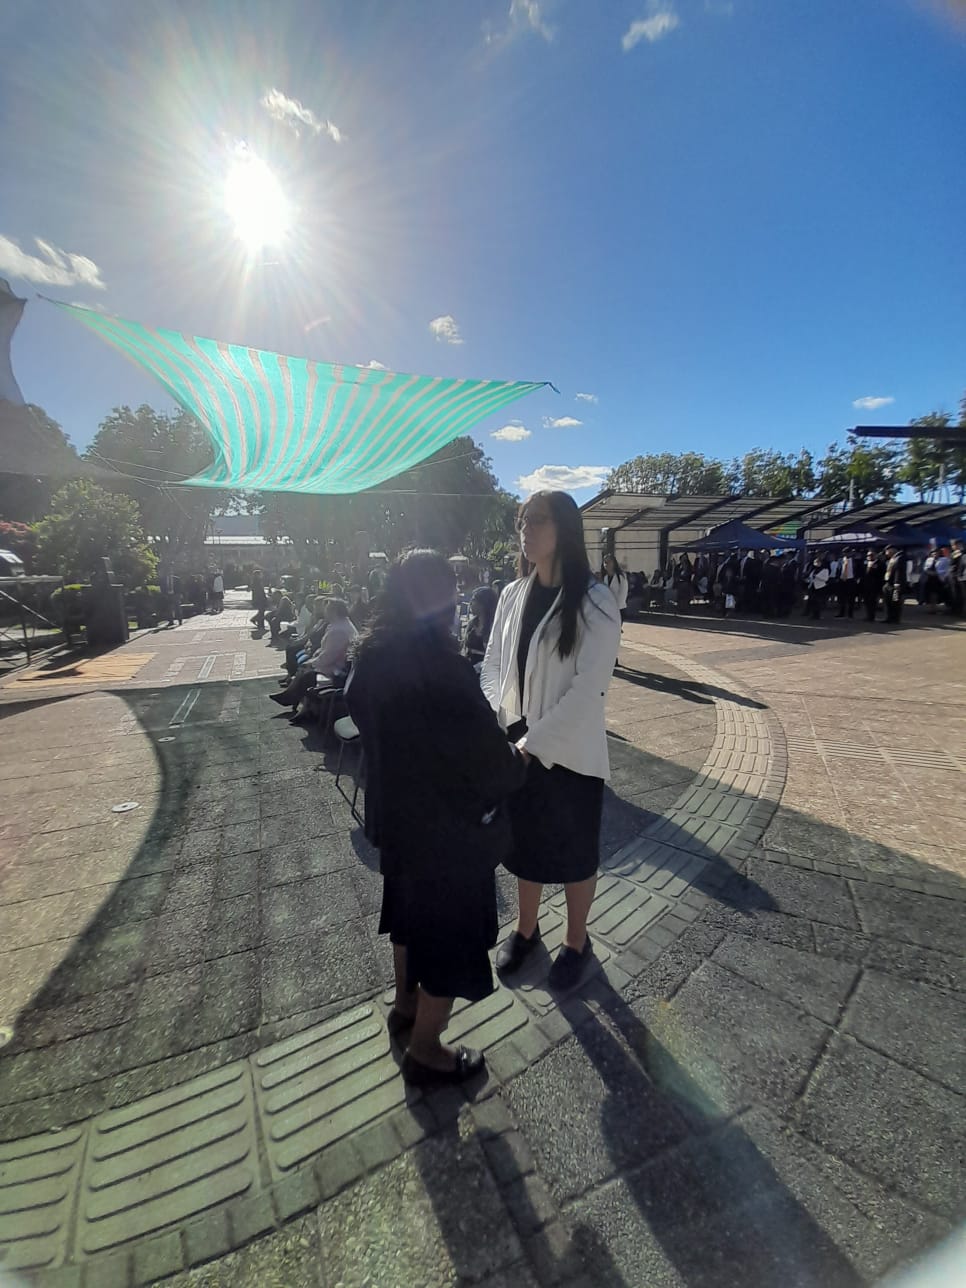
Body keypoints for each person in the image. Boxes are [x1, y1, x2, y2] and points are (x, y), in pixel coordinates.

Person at [347, 551, 526, 1086]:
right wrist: (516, 759)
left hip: (398, 820)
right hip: (448, 834)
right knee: (451, 936)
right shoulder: (442, 666)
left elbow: (363, 713)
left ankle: (405, 1008)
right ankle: (426, 1049)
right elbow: (485, 756)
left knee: (407, 917)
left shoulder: (372, 653)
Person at [482, 490, 621, 992]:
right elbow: (493, 663)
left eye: (537, 520)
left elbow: (589, 690)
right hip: (518, 743)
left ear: (564, 528)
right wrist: (498, 721)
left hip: (569, 752)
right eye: (522, 521)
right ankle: (526, 929)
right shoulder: (511, 594)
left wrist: (532, 742)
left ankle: (576, 941)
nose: (526, 529)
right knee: (525, 846)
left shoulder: (596, 601)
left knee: (575, 852)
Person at [269, 599, 358, 709]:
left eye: (327, 610)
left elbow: (328, 657)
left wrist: (312, 663)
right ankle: (292, 698)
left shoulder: (338, 630)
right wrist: (315, 657)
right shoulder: (340, 624)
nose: (325, 612)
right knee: (304, 668)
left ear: (333, 612)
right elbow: (325, 649)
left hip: (336, 669)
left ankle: (293, 699)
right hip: (333, 664)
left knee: (307, 672)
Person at [463, 586, 498, 669]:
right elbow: (465, 648)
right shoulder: (472, 623)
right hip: (469, 666)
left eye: (474, 600)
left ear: (483, 604)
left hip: (485, 668)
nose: (470, 603)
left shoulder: (494, 626)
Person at [882, 544, 907, 624]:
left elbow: (899, 571)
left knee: (895, 601)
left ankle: (895, 619)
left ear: (892, 550)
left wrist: (897, 583)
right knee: (888, 602)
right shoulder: (893, 558)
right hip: (889, 583)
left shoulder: (900, 558)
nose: (886, 554)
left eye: (887, 551)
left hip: (895, 585)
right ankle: (889, 617)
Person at [835, 548, 858, 618]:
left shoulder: (854, 561)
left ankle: (850, 614)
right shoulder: (840, 560)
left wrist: (857, 578)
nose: (846, 554)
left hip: (851, 580)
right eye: (844, 553)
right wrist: (837, 577)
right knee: (841, 598)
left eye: (847, 552)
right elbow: (838, 569)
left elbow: (858, 569)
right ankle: (841, 612)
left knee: (851, 598)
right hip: (842, 580)